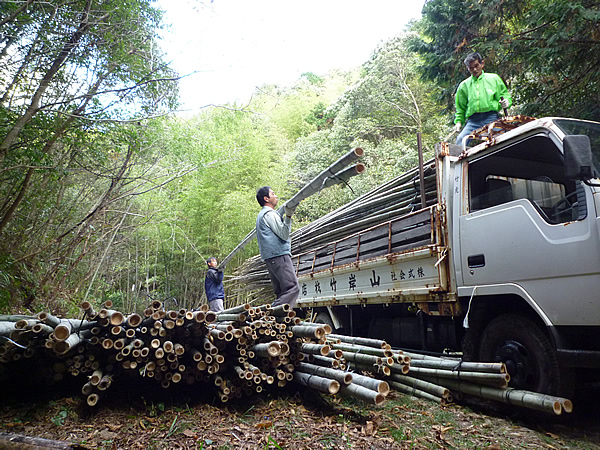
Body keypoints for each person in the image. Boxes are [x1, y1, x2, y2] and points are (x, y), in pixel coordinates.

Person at [255, 186, 300, 308]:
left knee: (282, 292)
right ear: (266, 198)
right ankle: (271, 312)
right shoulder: (269, 214)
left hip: (271, 258)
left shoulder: (261, 215)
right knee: (293, 288)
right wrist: (289, 216)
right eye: (273, 194)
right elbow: (284, 234)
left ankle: (277, 321)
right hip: (279, 255)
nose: (276, 196)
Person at [454, 52, 512, 145]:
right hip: (473, 121)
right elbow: (460, 108)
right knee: (461, 140)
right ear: (468, 68)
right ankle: (462, 159)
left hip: (491, 117)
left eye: (476, 65)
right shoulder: (464, 86)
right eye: (471, 68)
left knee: (503, 138)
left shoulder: (493, 79)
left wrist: (507, 102)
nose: (475, 69)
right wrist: (459, 122)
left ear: (482, 63)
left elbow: (504, 95)